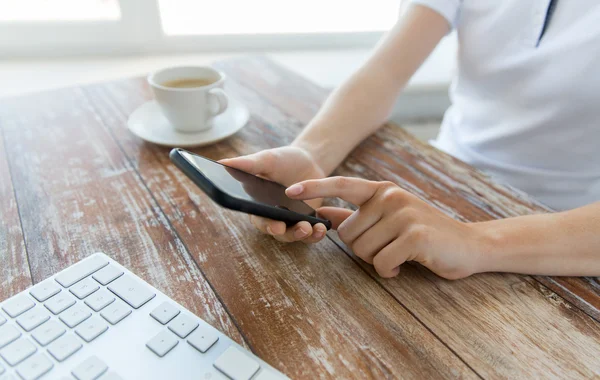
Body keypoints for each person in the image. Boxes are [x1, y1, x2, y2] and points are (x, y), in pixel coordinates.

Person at [221, 1, 600, 280]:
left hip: (565, 237)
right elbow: (385, 71)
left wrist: (477, 242)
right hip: (443, 181)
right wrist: (310, 153)